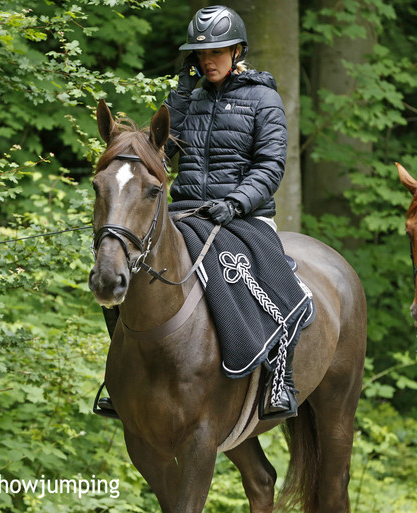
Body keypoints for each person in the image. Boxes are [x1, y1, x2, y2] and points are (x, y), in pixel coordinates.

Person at [97, 5, 295, 419]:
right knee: (122, 270)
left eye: (218, 53)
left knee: (264, 279)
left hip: (244, 213)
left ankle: (279, 377)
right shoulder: (192, 97)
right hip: (189, 211)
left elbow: (271, 164)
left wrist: (238, 201)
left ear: (238, 51)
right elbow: (157, 155)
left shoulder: (264, 99)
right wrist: (181, 97)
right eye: (202, 55)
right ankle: (120, 379)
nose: (208, 61)